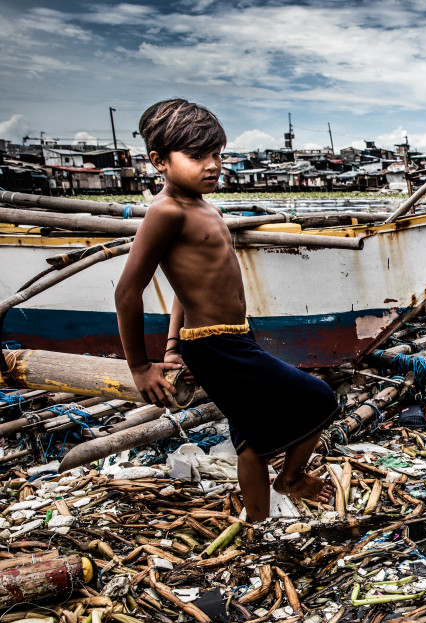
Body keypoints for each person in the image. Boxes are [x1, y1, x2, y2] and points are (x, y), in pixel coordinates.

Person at [114, 99, 340, 522]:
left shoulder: (204, 206)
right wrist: (140, 367)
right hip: (217, 345)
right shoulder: (166, 212)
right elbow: (128, 292)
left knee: (249, 441)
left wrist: (172, 345)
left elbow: (184, 290)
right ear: (159, 161)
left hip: (230, 337)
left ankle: (258, 523)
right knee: (320, 398)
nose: (212, 164)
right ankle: (291, 480)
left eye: (217, 154)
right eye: (197, 156)